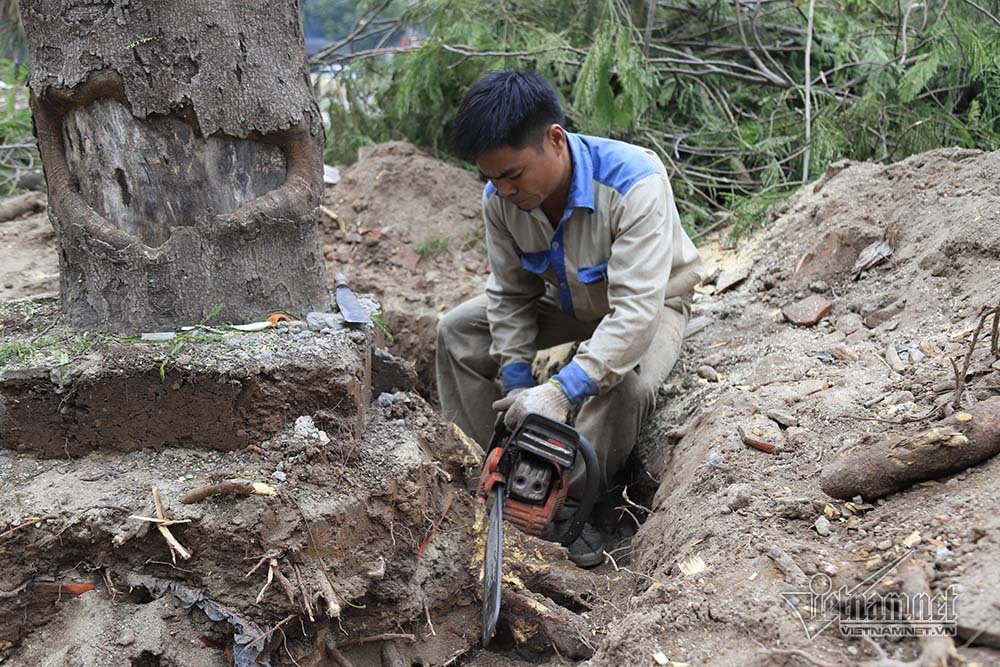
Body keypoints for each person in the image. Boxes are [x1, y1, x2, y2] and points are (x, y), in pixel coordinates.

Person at [436, 69, 704, 567]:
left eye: (513, 174)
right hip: (568, 301)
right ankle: (492, 470)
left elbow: (636, 313)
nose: (504, 189)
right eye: (491, 178)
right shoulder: (499, 198)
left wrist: (560, 393)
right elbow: (512, 294)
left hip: (650, 303)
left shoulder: (634, 182)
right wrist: (518, 382)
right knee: (457, 330)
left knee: (625, 386)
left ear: (555, 140)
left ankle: (574, 506)